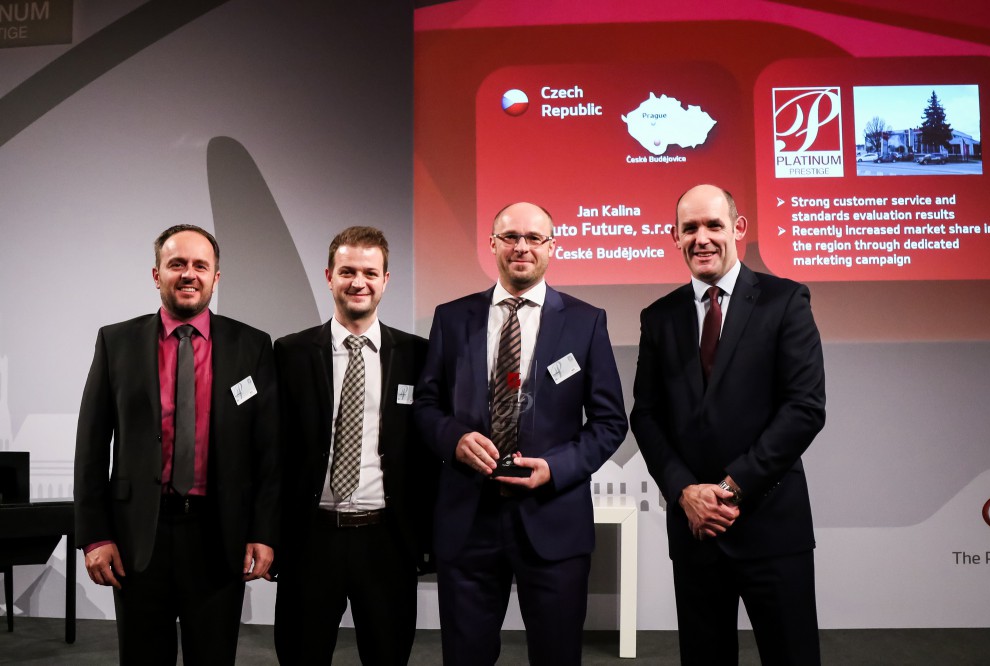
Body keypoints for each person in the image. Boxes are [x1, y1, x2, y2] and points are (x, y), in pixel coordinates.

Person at [414, 202, 628, 665]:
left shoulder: (586, 321)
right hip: (468, 520)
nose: (522, 247)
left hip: (553, 518)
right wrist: (454, 440)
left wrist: (554, 467)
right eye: (510, 237)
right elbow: (426, 405)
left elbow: (611, 422)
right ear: (492, 244)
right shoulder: (452, 318)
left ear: (552, 247)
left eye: (534, 238)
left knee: (557, 656)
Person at [631, 184, 826, 665]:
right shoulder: (659, 317)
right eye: (690, 228)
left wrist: (730, 488)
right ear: (674, 237)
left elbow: (804, 408)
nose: (702, 238)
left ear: (738, 228)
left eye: (713, 225)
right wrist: (685, 493)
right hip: (696, 529)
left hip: (770, 524)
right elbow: (646, 415)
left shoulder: (785, 300)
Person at [74, 224, 280, 665]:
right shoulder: (116, 342)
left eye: (200, 265)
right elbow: (90, 447)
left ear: (216, 277)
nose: (189, 274)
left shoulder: (252, 346)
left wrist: (263, 532)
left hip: (218, 536)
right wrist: (94, 536)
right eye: (177, 264)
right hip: (137, 540)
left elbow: (268, 452)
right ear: (156, 275)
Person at [272, 226, 436, 664]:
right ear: (329, 276)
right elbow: (273, 453)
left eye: (369, 272)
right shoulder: (289, 353)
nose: (358, 282)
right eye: (347, 271)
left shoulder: (418, 355)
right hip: (311, 539)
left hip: (386, 541)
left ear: (386, 280)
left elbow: (427, 456)